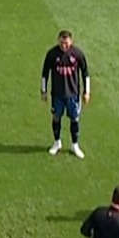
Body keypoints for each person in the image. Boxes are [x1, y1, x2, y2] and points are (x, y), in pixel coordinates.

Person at [41, 30, 90, 159]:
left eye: (66, 43)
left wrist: (87, 92)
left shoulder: (77, 54)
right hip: (57, 95)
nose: (64, 45)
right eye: (62, 43)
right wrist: (44, 91)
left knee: (75, 118)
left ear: (71, 42)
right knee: (56, 117)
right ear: (58, 40)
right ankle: (57, 143)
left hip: (73, 95)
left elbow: (85, 74)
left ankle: (75, 145)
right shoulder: (52, 54)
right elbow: (44, 74)